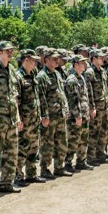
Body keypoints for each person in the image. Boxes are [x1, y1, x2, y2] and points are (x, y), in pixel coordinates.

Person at [0, 41, 23, 196]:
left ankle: (6, 183)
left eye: (11, 50)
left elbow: (14, 96)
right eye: (7, 50)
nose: (10, 53)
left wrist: (18, 117)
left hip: (12, 120)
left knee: (11, 153)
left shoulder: (12, 70)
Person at [36, 48, 71, 178]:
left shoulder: (57, 74)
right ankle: (44, 169)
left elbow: (62, 94)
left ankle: (59, 167)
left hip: (60, 115)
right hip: (49, 116)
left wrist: (65, 109)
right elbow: (41, 98)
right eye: (54, 59)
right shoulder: (41, 77)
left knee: (62, 142)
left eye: (58, 59)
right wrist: (44, 116)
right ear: (46, 60)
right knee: (47, 144)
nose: (57, 61)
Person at [16, 49, 45, 185]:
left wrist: (39, 114)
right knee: (22, 147)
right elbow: (17, 100)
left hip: (34, 119)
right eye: (32, 60)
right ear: (25, 60)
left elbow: (37, 97)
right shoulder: (18, 77)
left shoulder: (33, 74)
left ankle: (31, 174)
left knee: (34, 147)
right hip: (25, 120)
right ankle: (18, 176)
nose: (35, 63)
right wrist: (19, 119)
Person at [65, 54, 93, 171]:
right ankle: (67, 163)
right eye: (82, 63)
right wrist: (77, 116)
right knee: (73, 140)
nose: (84, 65)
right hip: (75, 116)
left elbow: (85, 97)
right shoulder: (72, 79)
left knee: (83, 140)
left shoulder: (81, 77)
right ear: (76, 64)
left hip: (84, 115)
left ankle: (81, 161)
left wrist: (86, 113)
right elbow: (73, 100)